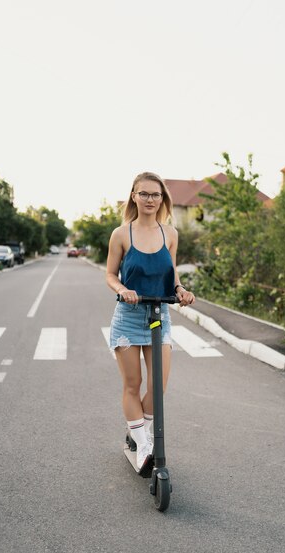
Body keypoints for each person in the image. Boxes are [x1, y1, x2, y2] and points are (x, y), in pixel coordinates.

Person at [106, 172, 195, 473]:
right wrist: (123, 290)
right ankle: (144, 444)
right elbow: (109, 274)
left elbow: (172, 275)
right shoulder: (121, 234)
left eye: (155, 194)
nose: (149, 199)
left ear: (162, 198)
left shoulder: (170, 233)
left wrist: (181, 290)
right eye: (143, 194)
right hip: (128, 319)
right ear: (133, 196)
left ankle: (137, 435)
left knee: (158, 387)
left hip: (160, 316)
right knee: (133, 384)